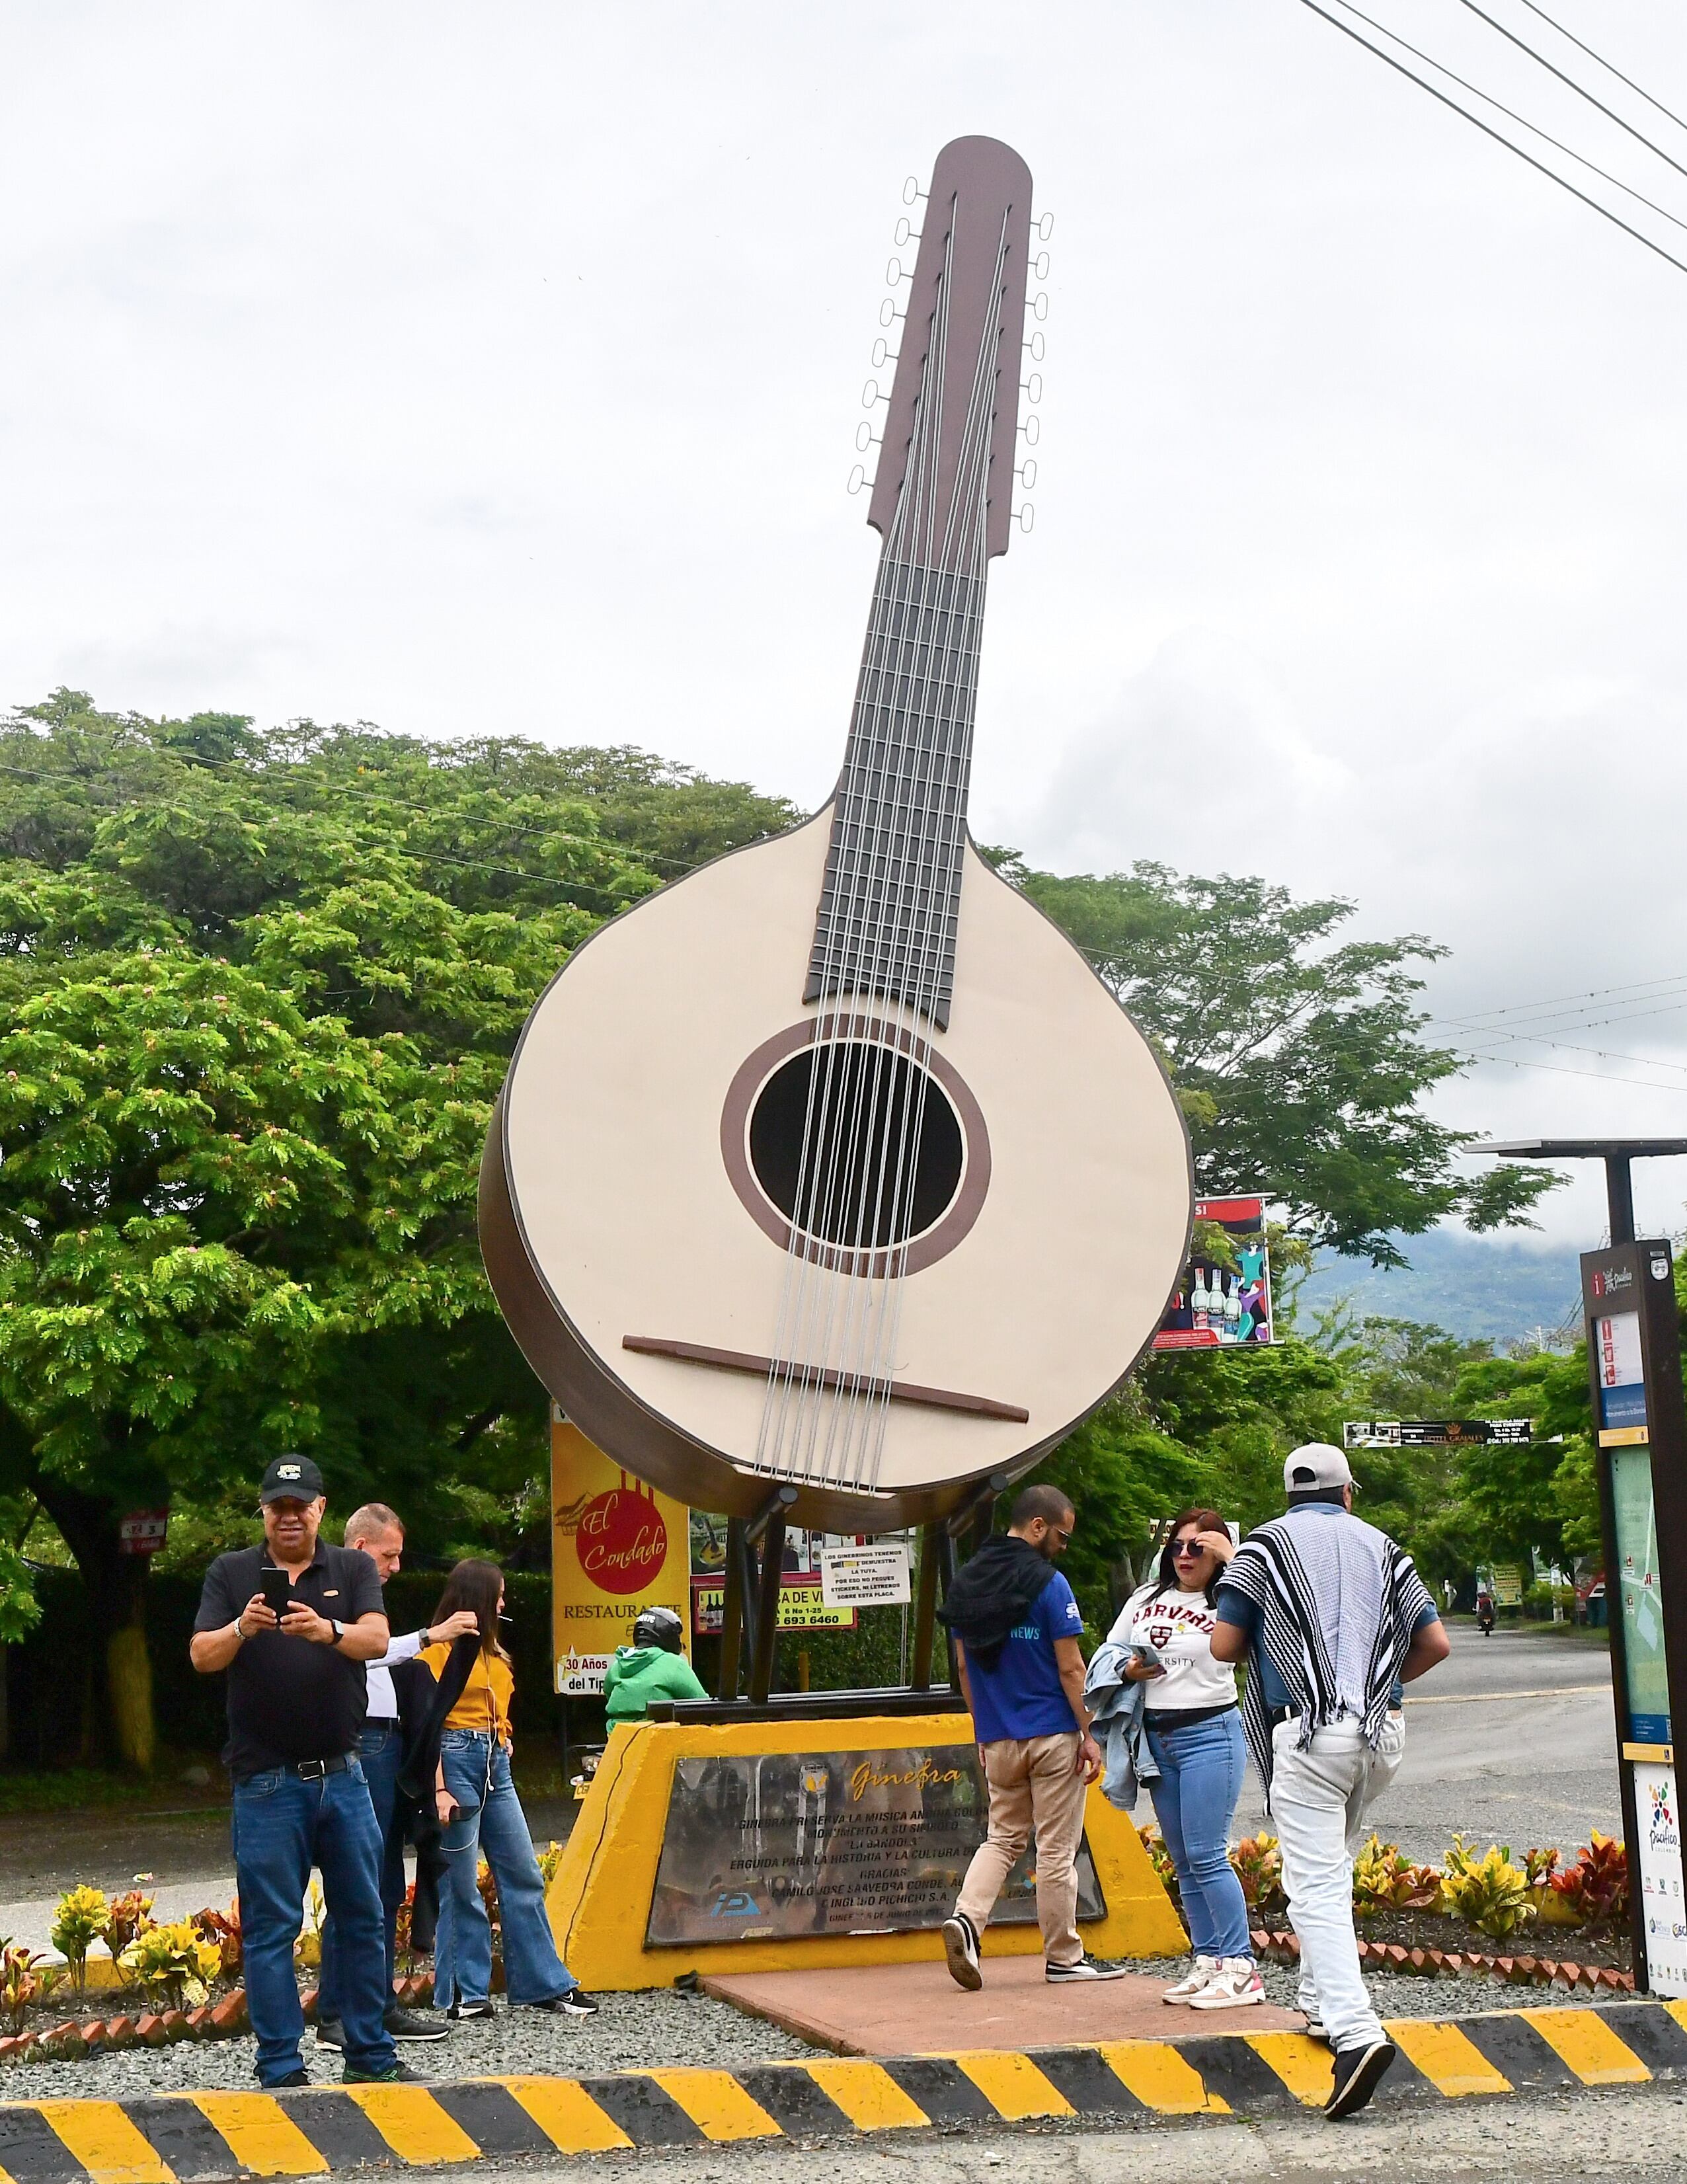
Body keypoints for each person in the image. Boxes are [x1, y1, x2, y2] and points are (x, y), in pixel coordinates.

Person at [1212, 1443, 1450, 2122]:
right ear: (1349, 1492)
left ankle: (1355, 2033)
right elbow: (1434, 1643)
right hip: (1379, 1736)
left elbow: (1225, 1647)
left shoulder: (1260, 1549)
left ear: (1286, 1494)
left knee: (1312, 1881)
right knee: (1333, 1863)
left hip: (1308, 1733)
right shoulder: (1383, 1546)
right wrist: (1376, 1687)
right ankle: (1318, 2004)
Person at [190, 1456, 409, 2089]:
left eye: (301, 1505)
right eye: (278, 1507)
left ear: (321, 1508)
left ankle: (371, 2055)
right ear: (264, 1512)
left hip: (346, 1775)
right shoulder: (231, 1572)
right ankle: (281, 2066)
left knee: (364, 1915)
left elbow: (376, 1640)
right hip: (265, 1783)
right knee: (270, 1929)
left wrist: (326, 1629)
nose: (289, 1517)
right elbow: (202, 1655)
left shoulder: (352, 1566)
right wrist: (241, 1627)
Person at [938, 1483, 1121, 1988]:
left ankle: (967, 1920)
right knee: (1057, 1851)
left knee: (1002, 1838)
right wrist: (1090, 1731)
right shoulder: (1049, 1583)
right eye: (1061, 1535)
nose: (1063, 1546)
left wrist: (985, 1728)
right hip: (1052, 1736)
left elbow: (962, 1667)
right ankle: (1064, 1957)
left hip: (998, 1738)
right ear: (1038, 1526)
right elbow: (1071, 1669)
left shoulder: (967, 1583)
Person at [315, 1503, 480, 2052]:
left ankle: (375, 2004)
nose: (396, 1567)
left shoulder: (358, 1595)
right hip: (363, 1739)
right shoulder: (333, 1593)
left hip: (385, 1739)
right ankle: (340, 2011)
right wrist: (433, 1636)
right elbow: (369, 1653)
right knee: (357, 1877)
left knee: (383, 1881)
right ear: (360, 1550)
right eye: (389, 1555)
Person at [417, 1559, 596, 2020]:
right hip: (454, 1758)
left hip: (494, 1760)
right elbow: (425, 1724)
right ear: (476, 1597)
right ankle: (464, 1993)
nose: (503, 1602)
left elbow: (500, 1704)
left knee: (522, 1873)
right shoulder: (436, 1652)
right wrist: (438, 1787)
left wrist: (506, 1736)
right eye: (497, 1593)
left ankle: (543, 1984)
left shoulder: (493, 1653)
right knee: (459, 1882)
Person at [1109, 1507, 1263, 2009]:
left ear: (1216, 1551)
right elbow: (1109, 1652)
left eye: (1197, 1547)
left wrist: (1232, 1558)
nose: (1184, 1556)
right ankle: (1209, 1959)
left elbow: (1273, 1622)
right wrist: (1129, 1670)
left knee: (1206, 1852)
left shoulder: (1230, 1600)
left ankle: (1242, 1967)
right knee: (1183, 1860)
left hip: (1209, 1732)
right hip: (1157, 1738)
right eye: (1176, 1545)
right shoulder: (1145, 1599)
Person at [602, 1606, 709, 1723]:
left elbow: (608, 1692)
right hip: (656, 1736)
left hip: (617, 1736)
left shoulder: (618, 1664)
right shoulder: (673, 1663)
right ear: (668, 1634)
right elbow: (701, 1705)